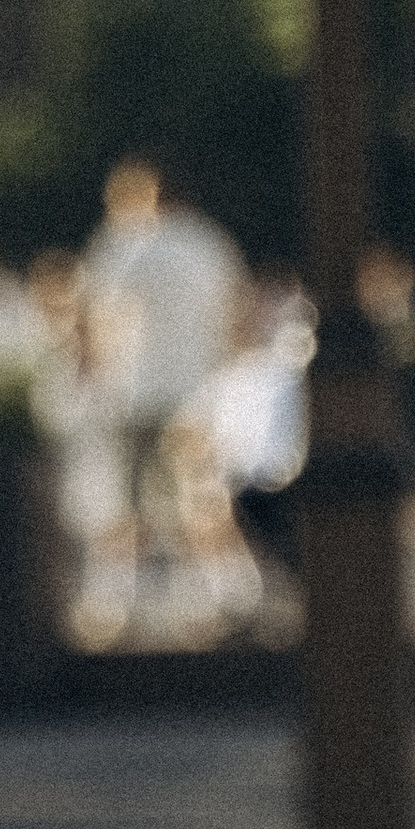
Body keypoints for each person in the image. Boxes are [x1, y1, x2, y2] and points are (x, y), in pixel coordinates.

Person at [73, 160, 247, 639]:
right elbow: (235, 317)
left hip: (131, 392)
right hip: (196, 393)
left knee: (122, 502)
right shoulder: (209, 243)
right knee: (200, 500)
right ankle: (220, 599)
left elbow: (94, 317)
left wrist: (89, 376)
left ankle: (110, 608)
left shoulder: (122, 242)